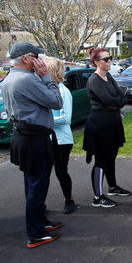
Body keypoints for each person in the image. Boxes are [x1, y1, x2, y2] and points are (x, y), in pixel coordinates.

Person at [1, 41, 63, 248]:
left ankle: (40, 222)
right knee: (37, 185)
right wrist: (46, 76)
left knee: (33, 183)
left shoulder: (10, 78)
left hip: (25, 136)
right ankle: (35, 233)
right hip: (34, 139)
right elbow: (56, 101)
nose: (40, 60)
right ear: (26, 58)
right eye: (36, 56)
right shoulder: (27, 79)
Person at [83, 47, 131, 208]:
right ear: (96, 62)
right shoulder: (94, 80)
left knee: (111, 158)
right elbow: (111, 100)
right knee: (101, 160)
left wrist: (116, 103)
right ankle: (97, 197)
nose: (109, 61)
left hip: (113, 123)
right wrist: (115, 103)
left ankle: (112, 187)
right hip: (99, 125)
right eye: (106, 59)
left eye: (109, 58)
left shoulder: (108, 76)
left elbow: (122, 96)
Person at [43, 57, 77, 214]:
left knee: (60, 171)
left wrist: (45, 120)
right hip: (47, 138)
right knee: (44, 172)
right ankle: (40, 203)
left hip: (62, 139)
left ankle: (69, 200)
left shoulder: (63, 91)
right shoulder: (46, 89)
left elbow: (66, 118)